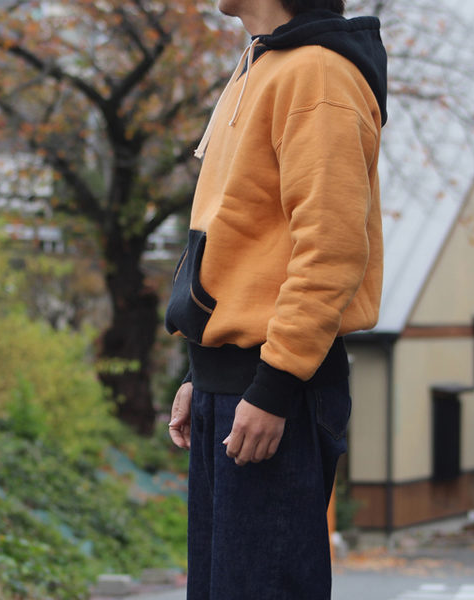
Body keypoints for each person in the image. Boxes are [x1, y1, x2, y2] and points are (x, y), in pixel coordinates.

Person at [166, 0, 387, 598]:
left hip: (274, 393)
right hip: (232, 387)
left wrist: (273, 386)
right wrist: (201, 372)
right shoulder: (260, 64)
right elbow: (239, 240)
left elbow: (331, 251)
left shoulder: (318, 74)